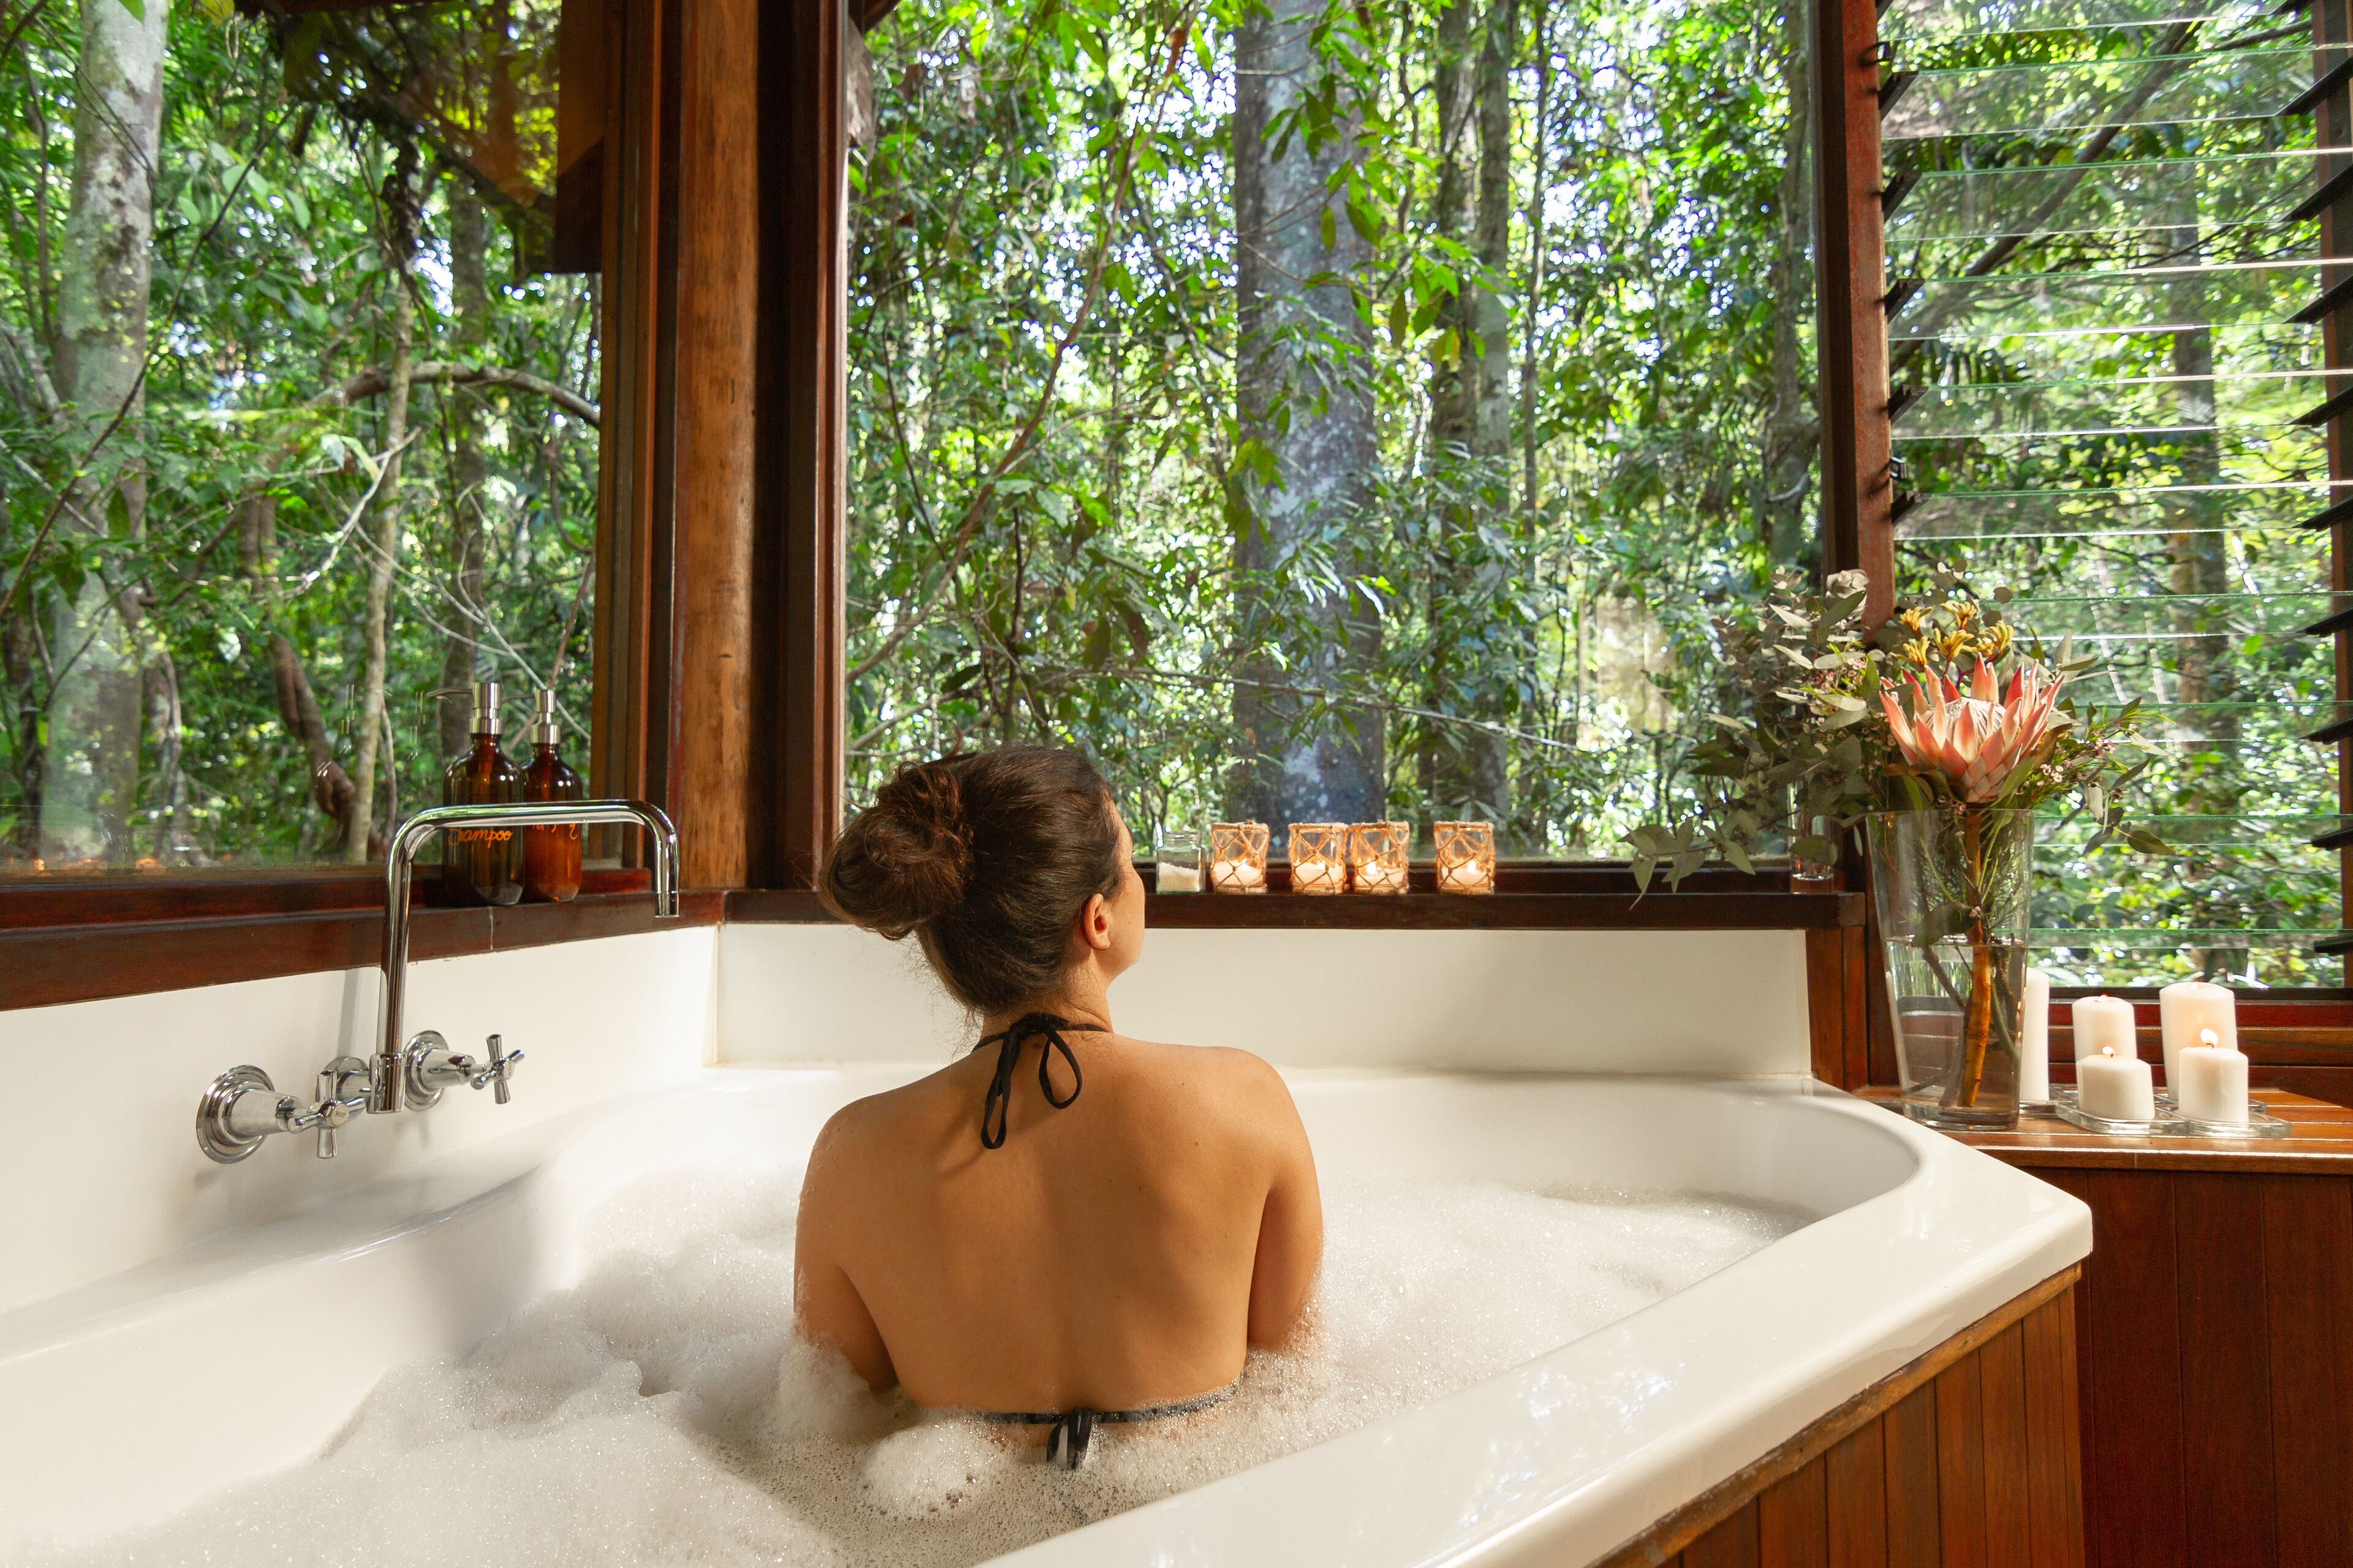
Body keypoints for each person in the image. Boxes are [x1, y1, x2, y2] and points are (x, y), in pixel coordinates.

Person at [795, 746, 1323, 1468]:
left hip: (949, 1521)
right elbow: (1300, 1383)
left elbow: (829, 1423)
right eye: (1132, 864)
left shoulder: (851, 1154)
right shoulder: (1244, 1100)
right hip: (1198, 1526)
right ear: (1097, 920)